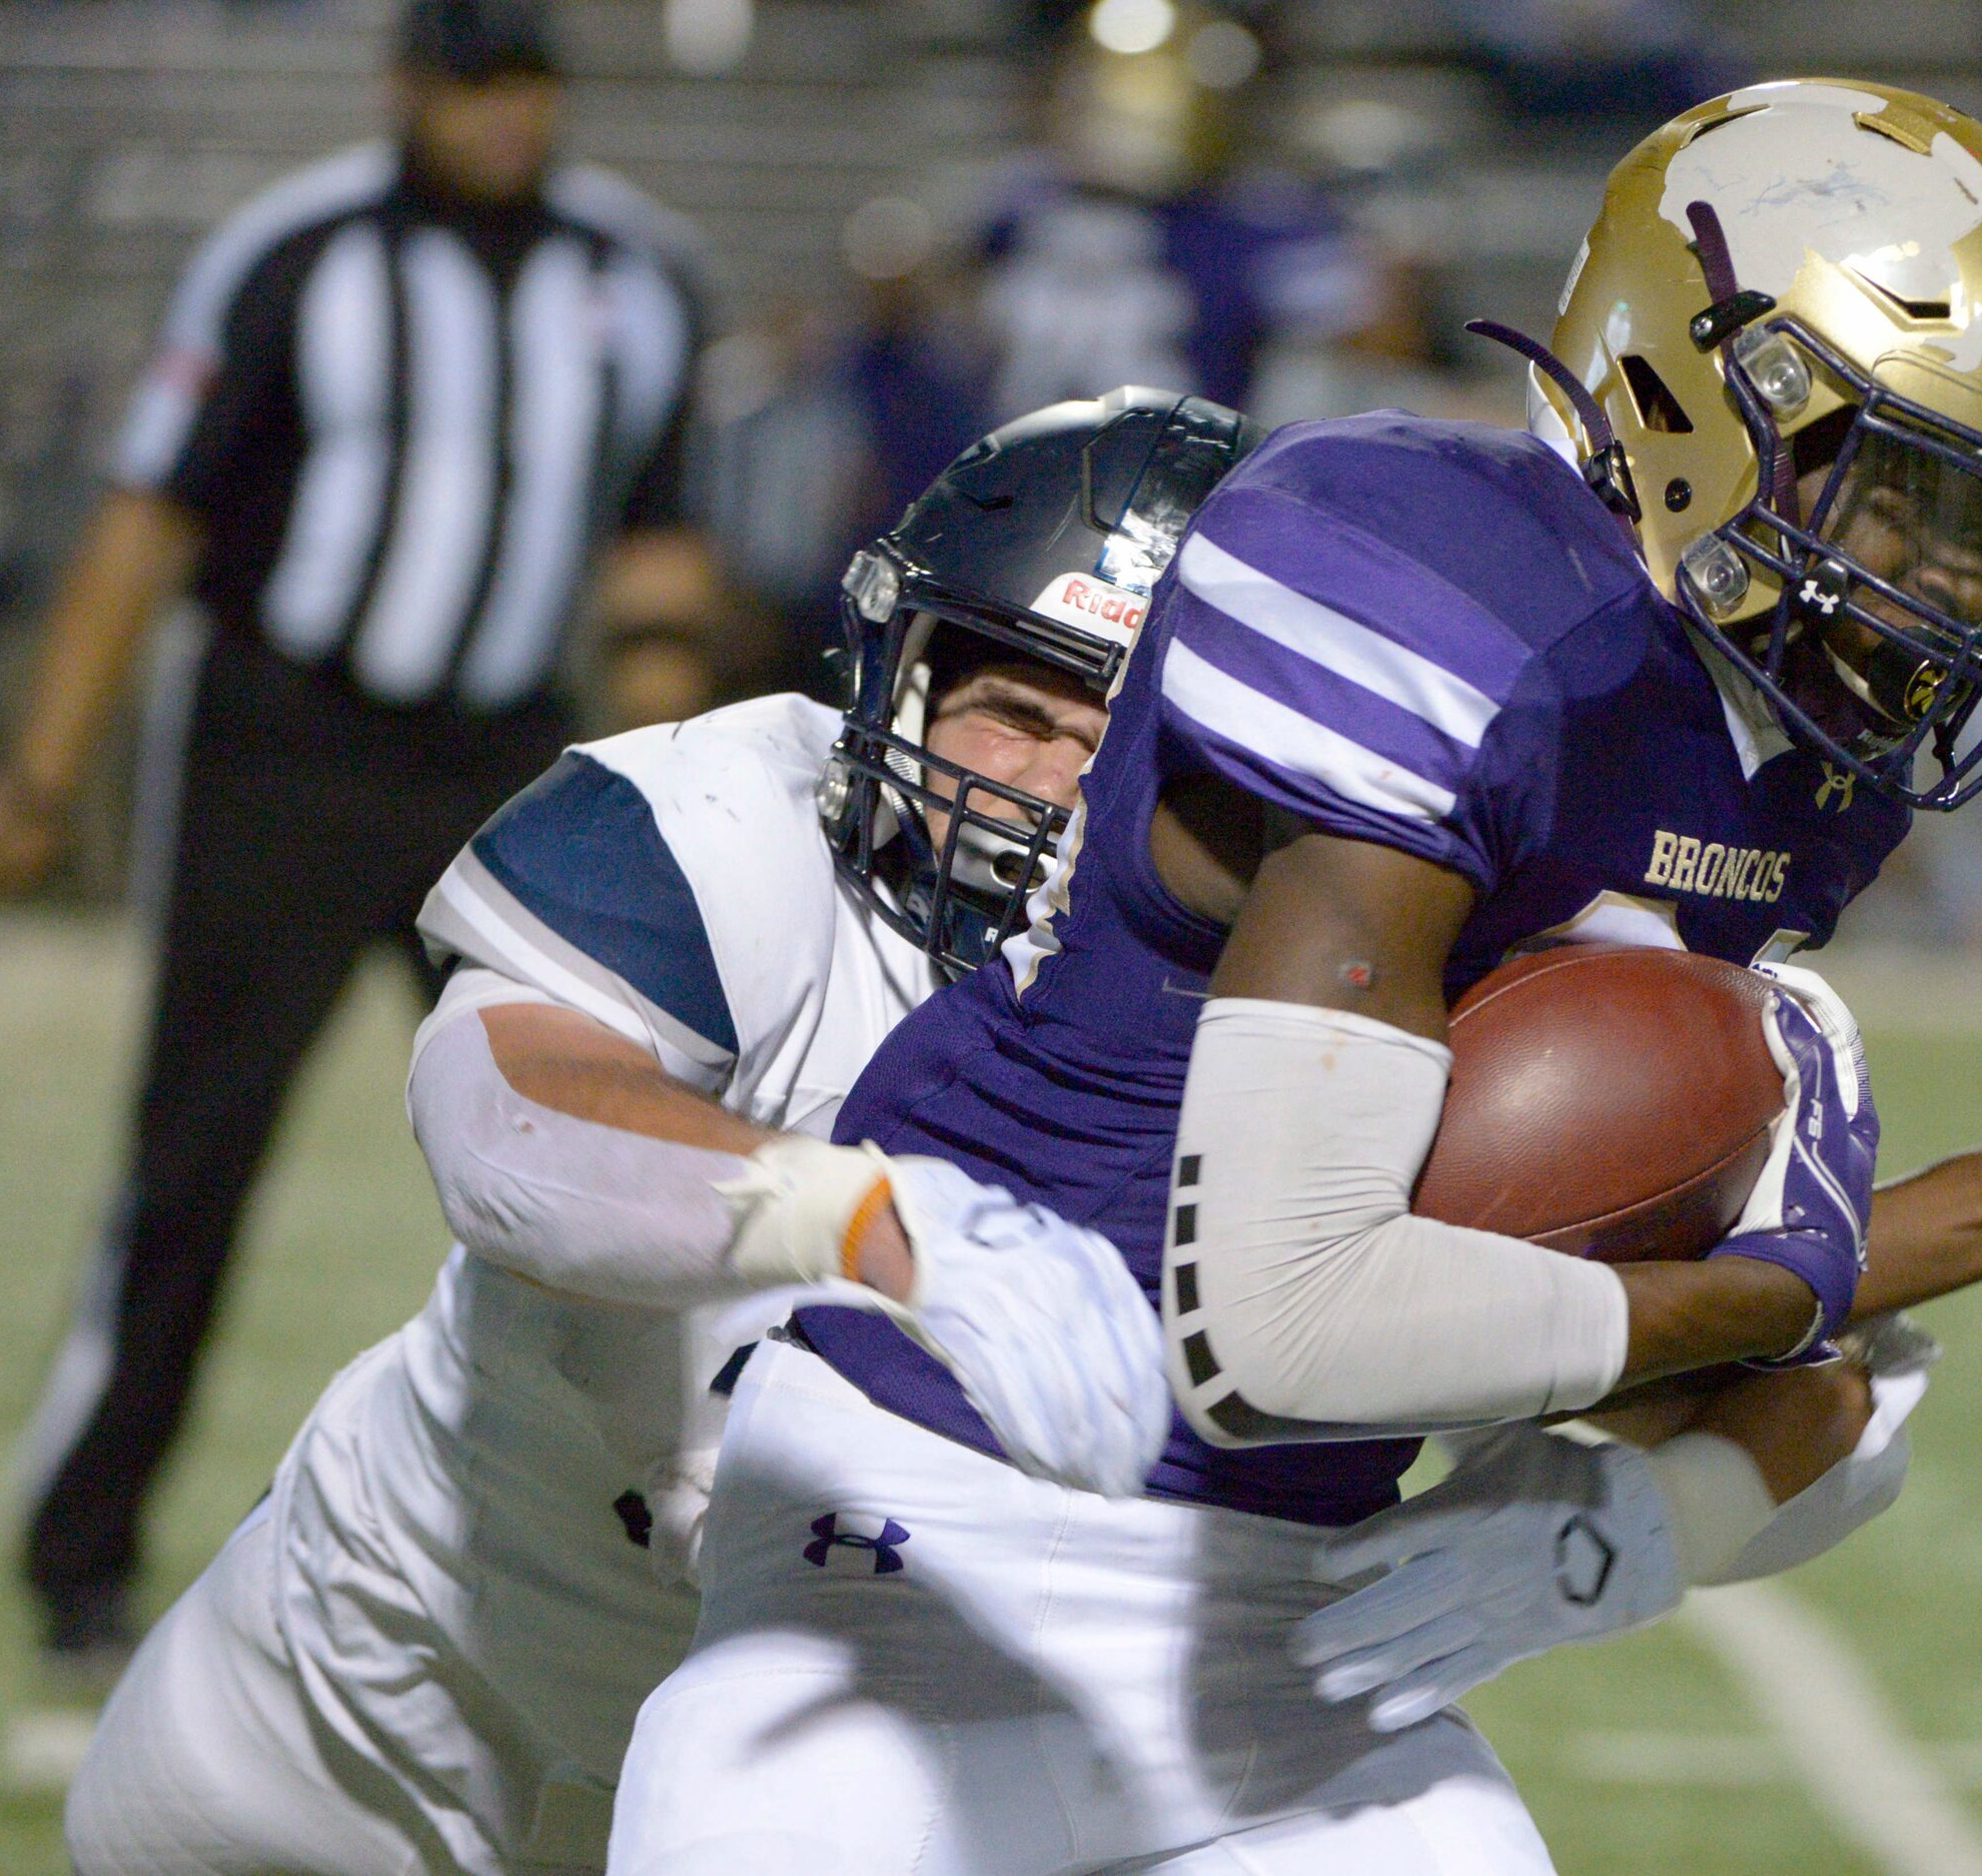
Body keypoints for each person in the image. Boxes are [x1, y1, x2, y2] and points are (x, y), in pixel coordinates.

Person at [607, 82, 1982, 1873]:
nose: (1948, 586)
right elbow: (1280, 1321)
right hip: (927, 1548)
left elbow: (1659, 1279)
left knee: (1853, 1404)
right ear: (1693, 390)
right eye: (1907, 496)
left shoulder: (1771, 758)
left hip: (1287, 1623)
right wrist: (1779, 1292)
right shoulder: (1431, 583)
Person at [62, 389, 1226, 1876]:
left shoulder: (1302, 998)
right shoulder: (729, 817)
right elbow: (510, 1133)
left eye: (1121, 739)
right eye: (1013, 711)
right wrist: (867, 1221)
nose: (1049, 794)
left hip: (856, 1758)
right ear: (900, 679)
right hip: (392, 1668)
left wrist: (1577, 1528)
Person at [0, 0, 728, 1691]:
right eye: (475, 84)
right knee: (193, 1157)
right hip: (285, 746)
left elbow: (657, 552)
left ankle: (640, 1536)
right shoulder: (295, 252)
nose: (506, 119)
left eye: (531, 83)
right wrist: (38, 773)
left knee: (596, 1145)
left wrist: (660, 787)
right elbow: (148, 513)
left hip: (497, 765)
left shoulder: (630, 276)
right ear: (406, 87)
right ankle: (80, 1563)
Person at [972, 0, 1373, 418]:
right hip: (1156, 455)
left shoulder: (1020, 202)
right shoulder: (1023, 203)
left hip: (1110, 460)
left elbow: (1363, 333)